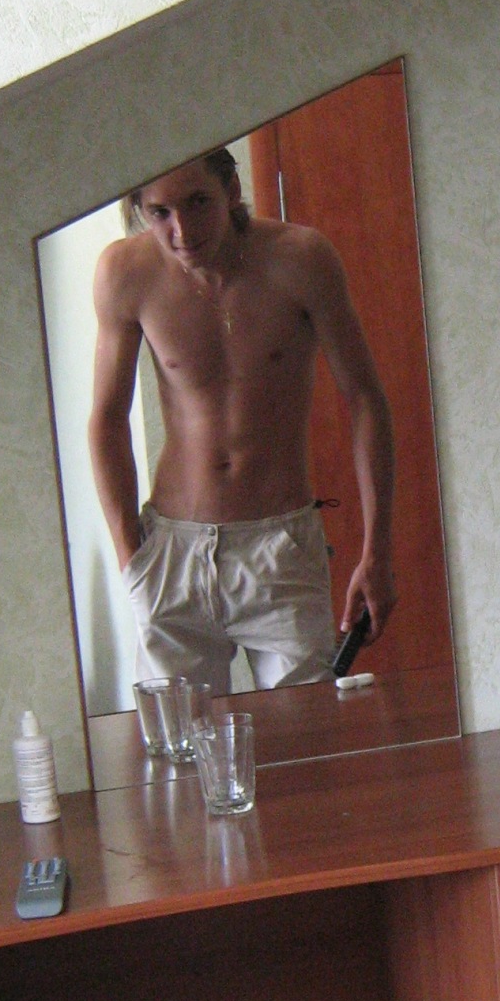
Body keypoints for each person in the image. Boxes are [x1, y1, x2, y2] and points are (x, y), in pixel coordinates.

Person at [89, 147, 395, 694]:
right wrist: (129, 554)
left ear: (230, 190)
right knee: (180, 740)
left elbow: (365, 399)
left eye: (197, 202)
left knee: (306, 733)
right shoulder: (125, 272)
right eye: (159, 212)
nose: (182, 230)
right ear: (139, 210)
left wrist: (377, 551)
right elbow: (108, 418)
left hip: (279, 547)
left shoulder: (301, 259)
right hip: (172, 550)